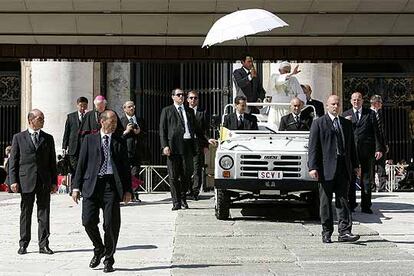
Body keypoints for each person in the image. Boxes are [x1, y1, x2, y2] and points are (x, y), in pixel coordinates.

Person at [72, 110, 132, 273]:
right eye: (111, 122)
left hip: (110, 186)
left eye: (115, 122)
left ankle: (109, 259)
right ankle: (99, 247)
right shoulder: (88, 140)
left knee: (110, 224)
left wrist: (128, 190)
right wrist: (75, 187)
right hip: (91, 185)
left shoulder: (120, 141)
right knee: (87, 221)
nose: (113, 125)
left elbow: (126, 168)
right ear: (102, 121)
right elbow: (81, 165)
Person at [308, 95, 360, 244]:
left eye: (338, 104)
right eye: (333, 104)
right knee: (325, 202)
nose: (336, 107)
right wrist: (312, 167)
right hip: (326, 169)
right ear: (327, 106)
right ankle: (326, 232)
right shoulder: (318, 123)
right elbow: (313, 148)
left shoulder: (346, 124)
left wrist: (355, 165)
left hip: (343, 167)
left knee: (343, 200)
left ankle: (344, 232)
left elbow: (351, 147)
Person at [8, 109, 57, 255]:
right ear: (31, 120)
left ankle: (44, 244)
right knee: (26, 213)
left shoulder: (48, 138)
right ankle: (23, 243)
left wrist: (54, 181)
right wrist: (13, 180)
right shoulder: (19, 137)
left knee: (44, 214)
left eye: (43, 118)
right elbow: (13, 161)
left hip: (43, 181)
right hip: (26, 180)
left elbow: (52, 162)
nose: (43, 120)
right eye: (40, 118)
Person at [159, 89, 216, 211]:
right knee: (174, 176)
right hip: (173, 147)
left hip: (188, 146)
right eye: (179, 95)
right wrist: (165, 146)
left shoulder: (189, 111)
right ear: (173, 97)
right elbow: (162, 130)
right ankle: (176, 202)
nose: (181, 97)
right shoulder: (167, 111)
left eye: (183, 95)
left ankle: (183, 197)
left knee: (187, 173)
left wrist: (206, 141)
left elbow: (198, 130)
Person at [343, 92, 384, 214]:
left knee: (366, 179)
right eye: (354, 100)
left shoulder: (370, 114)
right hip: (351, 152)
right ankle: (351, 204)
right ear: (351, 101)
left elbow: (377, 132)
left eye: (359, 99)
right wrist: (345, 122)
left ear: (362, 101)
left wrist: (378, 148)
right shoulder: (346, 115)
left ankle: (366, 205)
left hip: (367, 151)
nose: (356, 102)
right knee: (350, 178)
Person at [120, 100, 148, 202]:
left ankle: (134, 193)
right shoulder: (121, 121)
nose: (131, 108)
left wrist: (139, 132)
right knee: (126, 173)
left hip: (137, 151)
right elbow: (119, 137)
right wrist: (126, 131)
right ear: (124, 109)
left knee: (135, 173)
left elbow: (146, 135)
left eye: (133, 106)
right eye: (129, 107)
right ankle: (126, 193)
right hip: (126, 152)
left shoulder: (140, 120)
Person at [266, 61, 307, 127]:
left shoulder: (293, 79)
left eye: (289, 71)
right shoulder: (274, 77)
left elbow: (300, 93)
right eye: (285, 71)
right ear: (279, 70)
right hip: (276, 109)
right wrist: (292, 73)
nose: (287, 73)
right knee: (274, 126)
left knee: (288, 127)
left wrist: (301, 102)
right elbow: (279, 81)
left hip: (289, 109)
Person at [186, 90, 209, 200]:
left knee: (197, 168)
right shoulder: (183, 112)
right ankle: (188, 189)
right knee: (186, 168)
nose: (193, 100)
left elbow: (205, 130)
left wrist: (206, 145)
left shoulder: (202, 112)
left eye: (195, 98)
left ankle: (195, 192)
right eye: (191, 98)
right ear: (187, 100)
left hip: (198, 143)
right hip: (186, 143)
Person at [62, 96, 88, 178]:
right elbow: (66, 132)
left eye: (85, 105)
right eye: (81, 105)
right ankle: (74, 187)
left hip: (85, 146)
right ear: (77, 105)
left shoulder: (89, 116)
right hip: (73, 147)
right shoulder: (71, 116)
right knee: (74, 169)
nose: (83, 108)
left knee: (84, 167)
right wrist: (64, 147)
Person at [370, 95, 388, 191]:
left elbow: (382, 131)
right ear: (375, 103)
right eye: (380, 103)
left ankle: (382, 187)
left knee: (382, 167)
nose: (381, 105)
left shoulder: (381, 114)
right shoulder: (368, 114)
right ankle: (372, 187)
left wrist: (385, 144)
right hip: (371, 146)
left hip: (382, 146)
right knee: (371, 167)